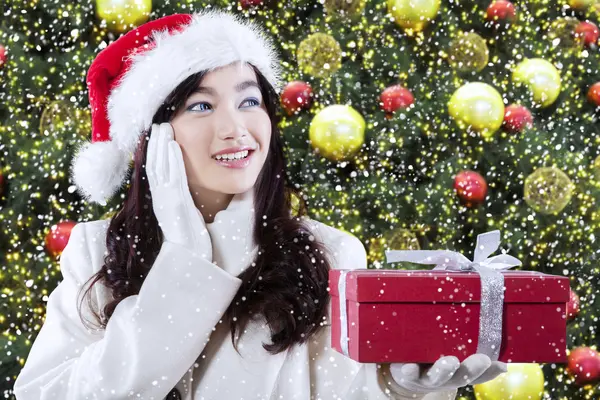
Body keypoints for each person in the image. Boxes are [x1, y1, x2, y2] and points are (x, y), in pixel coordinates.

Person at [13, 9, 507, 400]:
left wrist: (402, 390)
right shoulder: (95, 249)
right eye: (201, 106)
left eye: (249, 101)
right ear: (153, 137)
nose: (236, 128)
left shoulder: (329, 253)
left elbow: (346, 393)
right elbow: (48, 393)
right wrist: (187, 262)